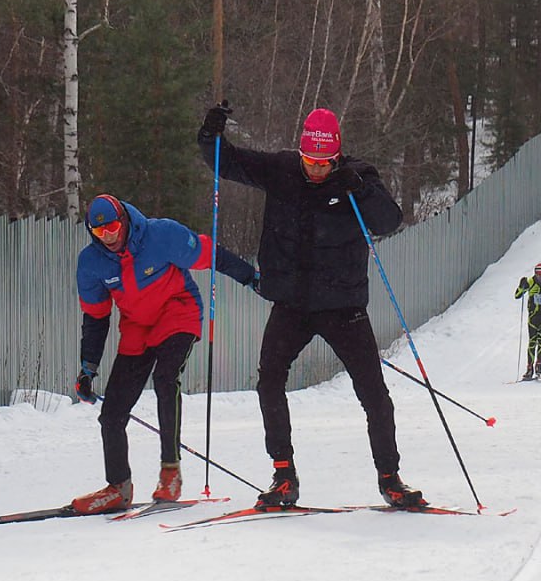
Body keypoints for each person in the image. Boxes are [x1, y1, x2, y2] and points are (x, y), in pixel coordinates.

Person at [198, 103, 425, 509]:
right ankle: (284, 474)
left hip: (344, 307)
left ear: (336, 156)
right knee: (269, 380)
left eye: (324, 163)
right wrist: (210, 137)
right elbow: (225, 164)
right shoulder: (282, 170)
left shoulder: (357, 177)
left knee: (374, 393)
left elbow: (389, 221)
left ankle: (390, 479)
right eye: (309, 161)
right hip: (292, 304)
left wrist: (362, 188)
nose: (316, 170)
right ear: (300, 153)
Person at [70, 194, 258, 514]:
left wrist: (251, 277)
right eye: (100, 233)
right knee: (111, 414)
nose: (109, 237)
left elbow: (210, 254)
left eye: (113, 227)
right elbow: (96, 317)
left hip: (177, 313)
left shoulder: (161, 235)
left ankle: (170, 470)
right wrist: (88, 368)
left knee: (165, 378)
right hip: (137, 330)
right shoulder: (91, 263)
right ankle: (119, 487)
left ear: (124, 221)